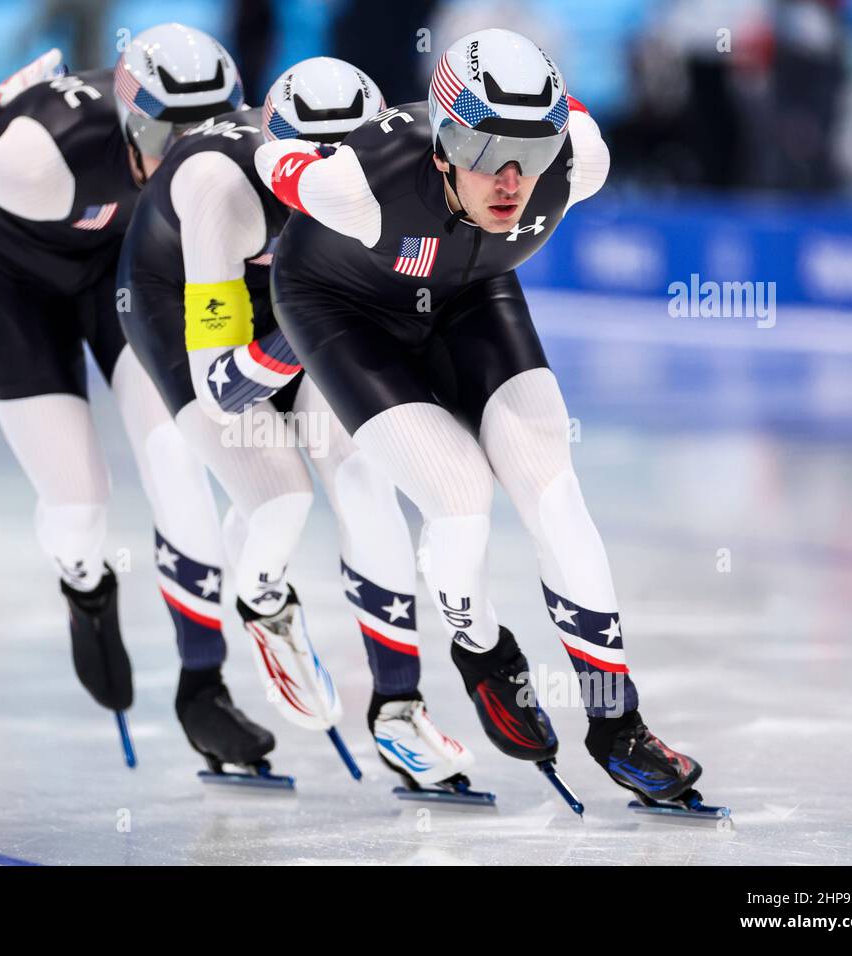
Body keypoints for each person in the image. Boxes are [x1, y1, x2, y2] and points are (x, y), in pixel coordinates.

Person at [254, 28, 708, 807]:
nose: (511, 178)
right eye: (489, 148)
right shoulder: (358, 183)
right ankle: (484, 652)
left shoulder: (580, 159)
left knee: (550, 486)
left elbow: (570, 118)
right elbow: (270, 155)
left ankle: (615, 720)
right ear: (444, 142)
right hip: (341, 310)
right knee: (459, 498)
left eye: (532, 152)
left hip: (470, 296)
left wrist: (539, 129)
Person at [118, 57, 475, 791]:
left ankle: (398, 710)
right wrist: (307, 322)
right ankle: (263, 600)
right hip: (180, 303)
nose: (330, 192)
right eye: (309, 172)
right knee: (280, 496)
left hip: (291, 303)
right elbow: (223, 388)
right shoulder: (223, 192)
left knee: (363, 474)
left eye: (349, 170)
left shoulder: (392, 173)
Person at [0, 25, 252, 758]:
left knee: (178, 453)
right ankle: (86, 587)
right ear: (131, 125)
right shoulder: (40, 163)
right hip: (9, 269)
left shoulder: (219, 155)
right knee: (78, 506)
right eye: (169, 137)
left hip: (115, 269)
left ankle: (204, 685)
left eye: (211, 133)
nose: (191, 159)